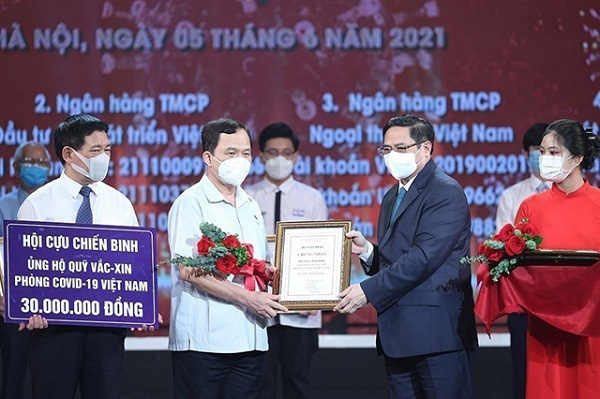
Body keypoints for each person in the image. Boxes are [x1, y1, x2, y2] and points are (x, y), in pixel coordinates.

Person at [335, 115, 478, 399]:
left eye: (401, 148)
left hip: (437, 336)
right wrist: (368, 251)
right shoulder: (392, 195)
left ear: (425, 149)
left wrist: (366, 291)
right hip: (398, 335)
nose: (392, 156)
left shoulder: (445, 191)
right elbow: (396, 258)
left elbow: (423, 258)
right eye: (387, 149)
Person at [16, 114, 141, 399]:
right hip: (53, 330)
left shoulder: (120, 204)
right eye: (95, 151)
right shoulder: (37, 204)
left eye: (107, 149)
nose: (104, 157)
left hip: (106, 330)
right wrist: (28, 308)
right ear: (69, 154)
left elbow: (134, 267)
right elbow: (23, 271)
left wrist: (139, 305)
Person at [168, 117, 288, 399]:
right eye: (231, 153)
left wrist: (270, 273)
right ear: (208, 158)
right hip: (204, 344)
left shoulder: (250, 205)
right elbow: (187, 270)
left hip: (251, 338)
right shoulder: (191, 202)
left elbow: (254, 264)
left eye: (245, 154)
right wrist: (247, 298)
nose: (241, 161)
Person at [515, 119, 600, 398]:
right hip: (545, 329)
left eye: (553, 153)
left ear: (576, 158)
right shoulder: (530, 206)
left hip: (592, 329)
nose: (544, 159)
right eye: (542, 152)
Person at [246, 122, 328, 399]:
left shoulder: (312, 197)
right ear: (261, 157)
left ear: (295, 156)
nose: (280, 159)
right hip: (259, 309)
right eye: (273, 153)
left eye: (286, 152)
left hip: (302, 313)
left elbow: (322, 252)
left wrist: (315, 298)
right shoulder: (248, 198)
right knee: (261, 384)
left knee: (299, 383)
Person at [495, 122, 549, 399]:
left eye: (547, 151)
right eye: (535, 151)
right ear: (525, 154)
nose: (540, 158)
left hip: (561, 299)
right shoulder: (512, 196)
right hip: (523, 303)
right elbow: (501, 248)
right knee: (523, 375)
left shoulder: (572, 195)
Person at [0, 141, 51, 399]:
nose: (37, 168)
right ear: (16, 167)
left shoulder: (58, 205)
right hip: (13, 305)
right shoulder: (3, 206)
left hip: (54, 304)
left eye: (42, 163)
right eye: (31, 162)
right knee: (12, 377)